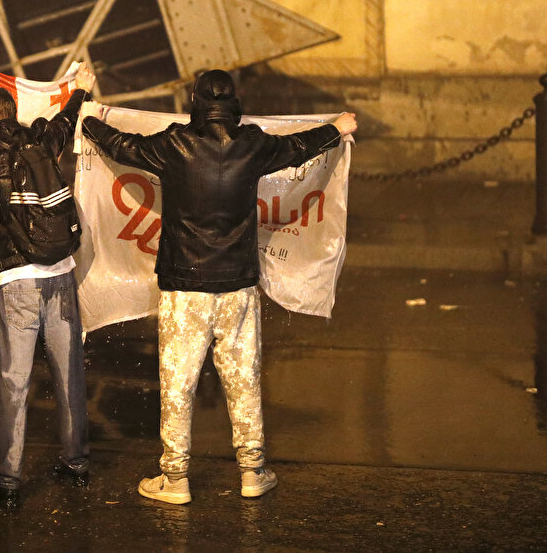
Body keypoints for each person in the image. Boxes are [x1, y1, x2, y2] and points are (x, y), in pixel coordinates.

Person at [81, 69, 356, 504]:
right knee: (243, 379)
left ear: (194, 103)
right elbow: (297, 147)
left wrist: (89, 119)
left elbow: (122, 146)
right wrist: (336, 128)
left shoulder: (173, 144)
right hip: (238, 285)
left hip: (184, 286)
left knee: (178, 384)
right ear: (234, 105)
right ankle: (252, 471)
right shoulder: (253, 144)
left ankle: (175, 478)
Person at [0, 65, 96, 509]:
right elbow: (64, 123)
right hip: (60, 272)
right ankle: (76, 463)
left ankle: (8, 480)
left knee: (14, 380)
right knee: (69, 371)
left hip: (17, 277)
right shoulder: (40, 141)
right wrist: (80, 92)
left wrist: (10, 234)